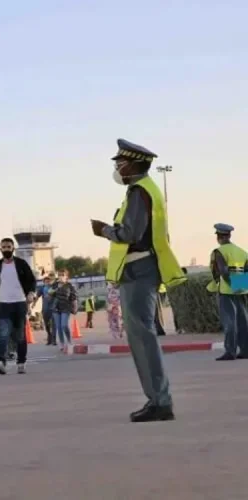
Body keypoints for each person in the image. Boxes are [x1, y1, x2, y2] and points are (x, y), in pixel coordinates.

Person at [92, 138, 186, 423]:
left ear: (133, 164)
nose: (118, 168)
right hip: (141, 268)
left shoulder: (138, 191)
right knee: (142, 337)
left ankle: (160, 400)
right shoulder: (146, 190)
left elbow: (130, 233)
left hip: (139, 268)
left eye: (120, 163)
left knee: (143, 338)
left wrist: (105, 230)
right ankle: (157, 399)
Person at [0, 238, 36, 375]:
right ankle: (1, 361)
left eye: (9, 246)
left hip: (19, 303)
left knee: (20, 335)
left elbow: (31, 280)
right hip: (2, 305)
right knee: (2, 334)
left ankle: (21, 362)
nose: (6, 249)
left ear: (13, 248)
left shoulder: (21, 264)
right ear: (0, 249)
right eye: (4, 247)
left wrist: (31, 293)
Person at [207, 223, 248, 360]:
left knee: (230, 322)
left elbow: (222, 271)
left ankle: (230, 351)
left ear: (218, 237)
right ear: (229, 235)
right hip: (241, 289)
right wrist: (240, 285)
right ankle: (245, 350)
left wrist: (229, 285)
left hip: (226, 290)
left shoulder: (219, 252)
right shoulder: (242, 252)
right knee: (243, 321)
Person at [51, 269, 78, 353]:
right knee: (58, 327)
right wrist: (56, 289)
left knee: (64, 325)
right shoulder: (55, 285)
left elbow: (74, 298)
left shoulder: (70, 286)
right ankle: (62, 343)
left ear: (66, 277)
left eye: (63, 275)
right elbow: (49, 293)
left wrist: (75, 307)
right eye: (59, 275)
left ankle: (69, 341)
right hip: (56, 308)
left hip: (66, 308)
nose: (61, 276)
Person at [36, 274, 56, 345]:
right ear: (43, 282)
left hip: (53, 309)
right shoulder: (42, 288)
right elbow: (37, 296)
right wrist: (33, 304)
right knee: (47, 325)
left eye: (48, 281)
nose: (47, 282)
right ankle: (49, 337)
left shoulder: (53, 288)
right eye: (45, 281)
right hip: (45, 309)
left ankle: (54, 340)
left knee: (53, 324)